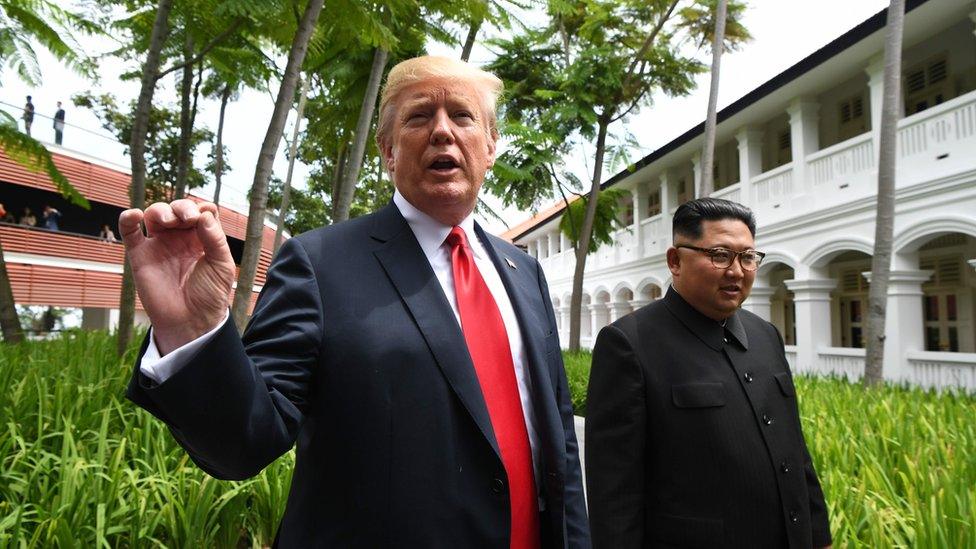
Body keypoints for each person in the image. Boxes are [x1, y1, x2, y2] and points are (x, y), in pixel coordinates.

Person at [120, 56, 589, 548]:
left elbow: (559, 444)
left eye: (463, 116)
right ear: (388, 150)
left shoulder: (524, 272)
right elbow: (244, 444)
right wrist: (194, 332)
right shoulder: (318, 264)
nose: (443, 131)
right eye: (419, 116)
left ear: (490, 146)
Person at [585, 198, 832, 549]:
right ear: (675, 261)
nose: (737, 270)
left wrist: (819, 536)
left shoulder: (766, 335)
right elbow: (614, 491)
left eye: (748, 257)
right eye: (719, 255)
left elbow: (793, 449)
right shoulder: (629, 344)